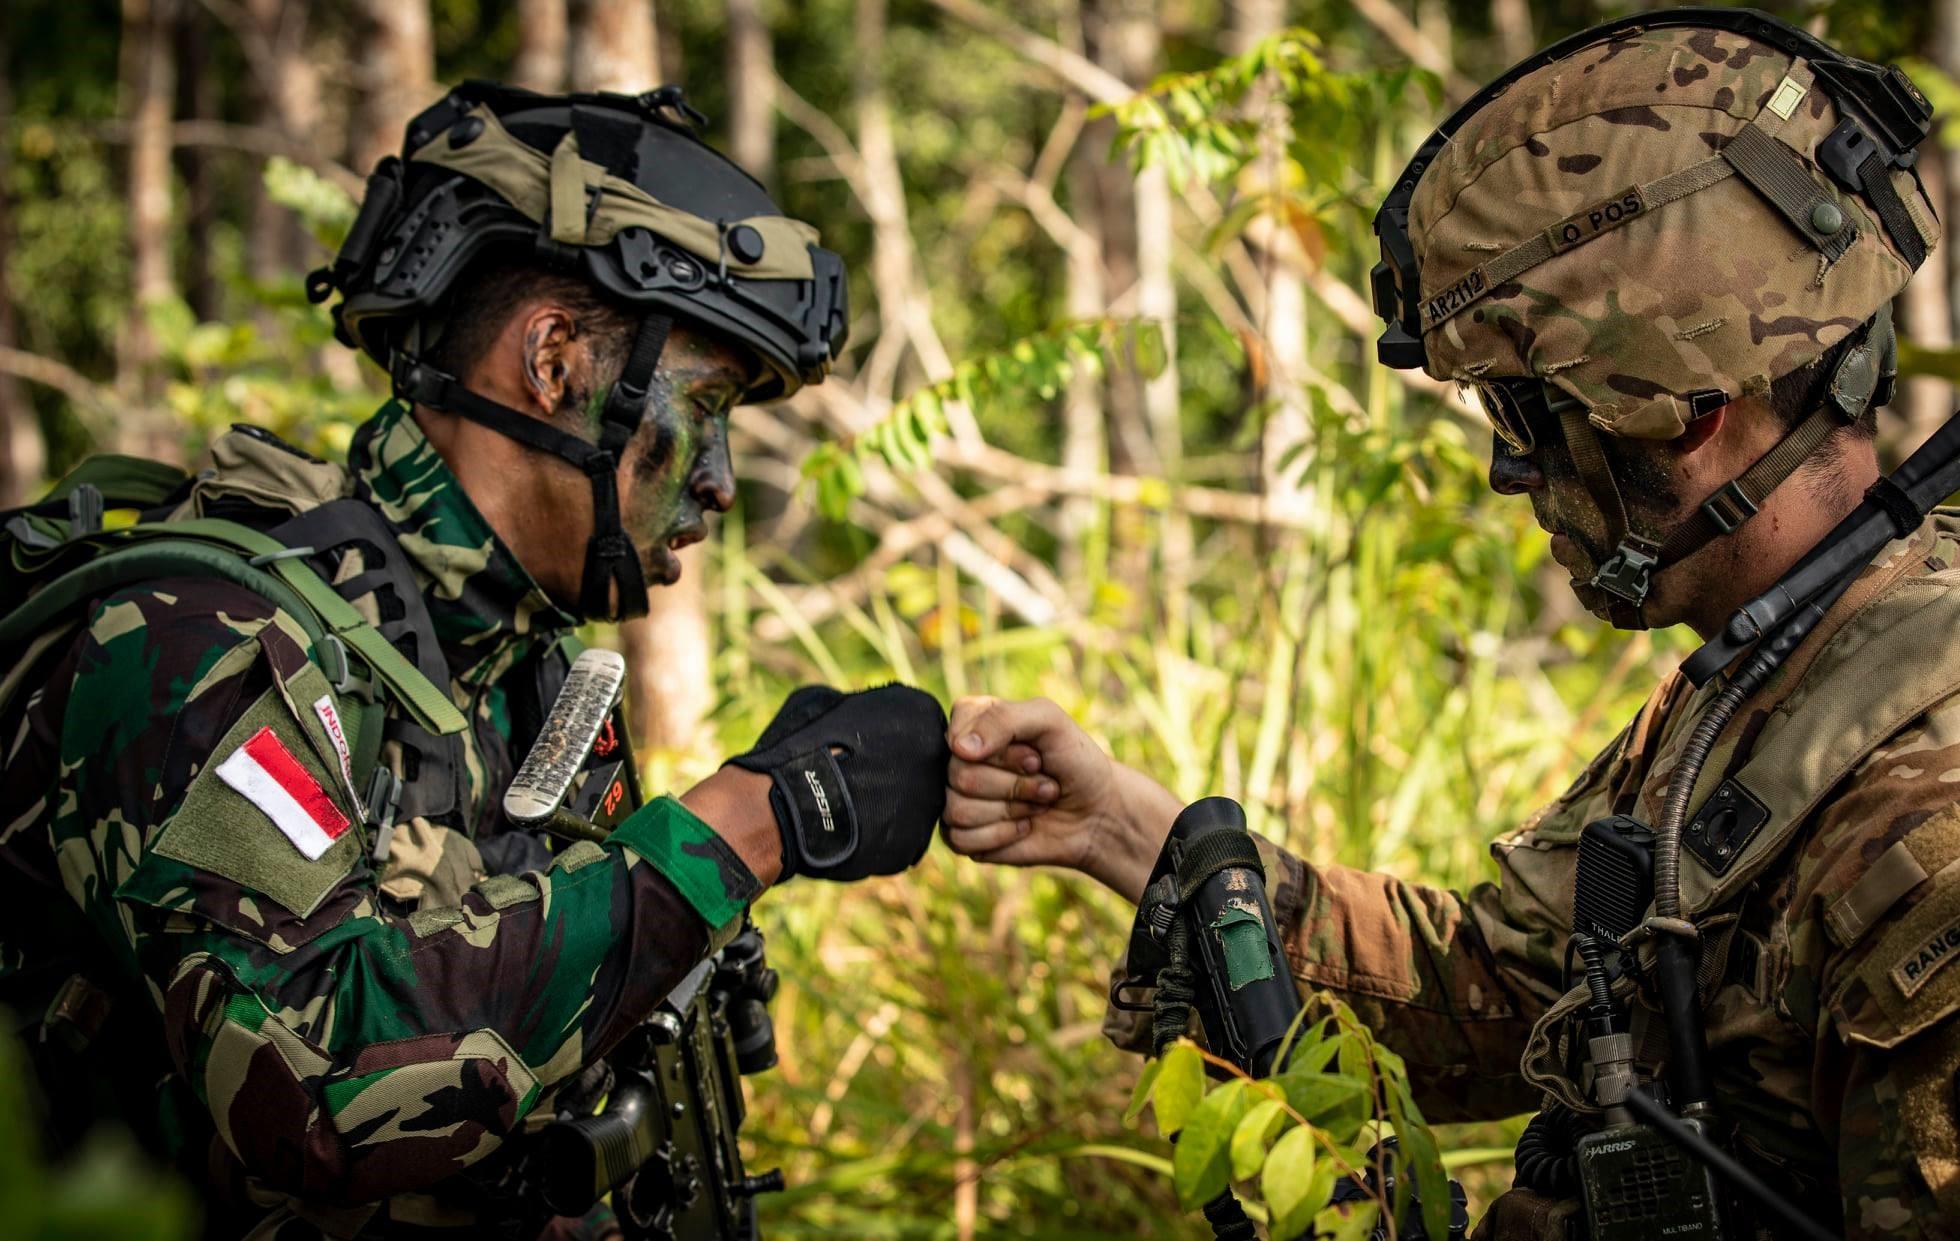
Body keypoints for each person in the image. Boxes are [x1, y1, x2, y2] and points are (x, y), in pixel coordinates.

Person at [944, 11, 1960, 1239]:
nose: (1507, 473)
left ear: (1677, 407)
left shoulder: (1922, 821)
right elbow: (1510, 984)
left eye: (1530, 420)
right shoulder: (1770, 678)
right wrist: (1126, 827)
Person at [0, 82, 948, 1237]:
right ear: (552, 363)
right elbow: (311, 1090)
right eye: (704, 406)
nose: (719, 481)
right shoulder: (211, 635)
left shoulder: (510, 664)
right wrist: (750, 821)